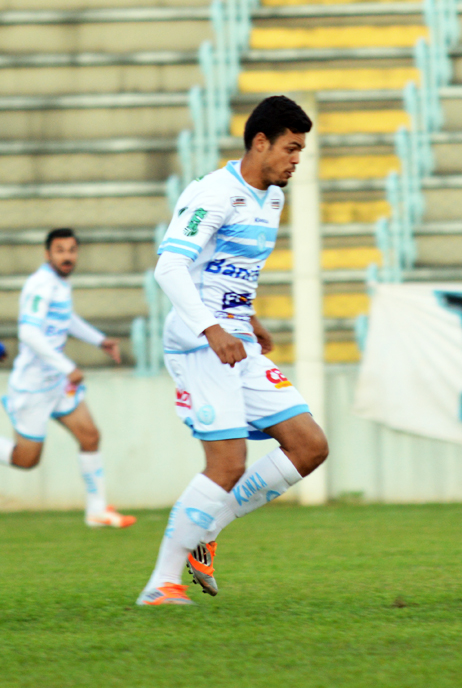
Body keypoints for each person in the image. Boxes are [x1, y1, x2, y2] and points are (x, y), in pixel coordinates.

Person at [136, 95, 329, 606]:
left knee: (309, 445)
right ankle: (161, 584)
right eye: (291, 148)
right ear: (259, 142)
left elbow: (229, 268)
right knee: (228, 463)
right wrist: (211, 329)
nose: (296, 160)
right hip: (200, 345)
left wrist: (248, 319)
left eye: (301, 151)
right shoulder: (212, 194)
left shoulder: (271, 198)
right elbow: (171, 268)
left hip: (237, 340)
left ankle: (208, 529)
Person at [0, 228, 136, 528]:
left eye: (71, 250)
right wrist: (67, 367)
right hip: (34, 387)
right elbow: (29, 332)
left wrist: (100, 340)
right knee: (26, 460)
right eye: (60, 250)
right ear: (48, 254)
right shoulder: (40, 285)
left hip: (57, 384)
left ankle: (97, 511)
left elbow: (66, 319)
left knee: (90, 436)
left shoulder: (60, 284)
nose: (67, 256)